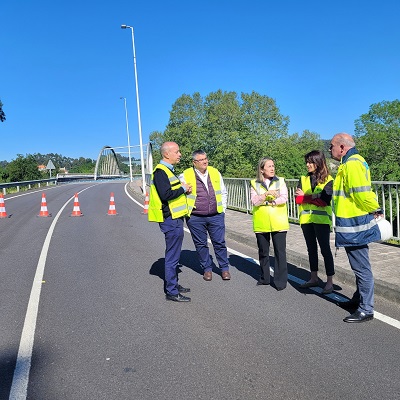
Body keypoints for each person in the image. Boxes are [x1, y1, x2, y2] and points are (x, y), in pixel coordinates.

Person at [329, 133, 383, 323]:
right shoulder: (351, 162)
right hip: (352, 223)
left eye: (331, 146)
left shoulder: (352, 164)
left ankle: (366, 309)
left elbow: (361, 193)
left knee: (361, 267)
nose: (330, 150)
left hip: (355, 225)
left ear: (342, 147)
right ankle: (358, 299)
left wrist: (376, 208)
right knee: (359, 265)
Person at [148, 142, 192, 302]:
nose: (180, 154)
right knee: (172, 256)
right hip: (170, 219)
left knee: (173, 254)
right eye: (177, 151)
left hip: (175, 218)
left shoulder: (168, 171)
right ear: (167, 154)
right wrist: (183, 189)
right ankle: (172, 291)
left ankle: (173, 284)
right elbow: (166, 194)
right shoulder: (161, 172)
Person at [180, 150, 231, 281]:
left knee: (219, 242)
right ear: (194, 162)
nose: (205, 161)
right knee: (201, 244)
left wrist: (222, 210)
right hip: (195, 217)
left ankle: (224, 269)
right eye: (201, 160)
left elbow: (223, 191)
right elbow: (180, 193)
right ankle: (207, 269)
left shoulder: (214, 172)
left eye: (205, 158)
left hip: (216, 215)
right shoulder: (185, 175)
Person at [295, 150, 335, 294]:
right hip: (306, 220)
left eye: (310, 162)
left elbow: (325, 200)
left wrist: (306, 197)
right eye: (306, 162)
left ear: (318, 163)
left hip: (321, 220)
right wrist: (314, 197)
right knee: (311, 249)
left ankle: (330, 282)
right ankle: (313, 278)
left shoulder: (329, 179)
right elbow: (297, 199)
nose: (307, 165)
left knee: (325, 250)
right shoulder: (303, 178)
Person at [250, 157, 289, 290]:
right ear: (262, 170)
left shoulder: (281, 181)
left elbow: (284, 198)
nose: (272, 168)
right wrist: (266, 195)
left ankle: (280, 282)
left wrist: (269, 201)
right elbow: (254, 201)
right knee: (263, 252)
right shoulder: (254, 183)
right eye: (269, 166)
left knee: (280, 252)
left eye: (273, 165)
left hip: (279, 222)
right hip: (261, 223)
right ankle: (264, 278)